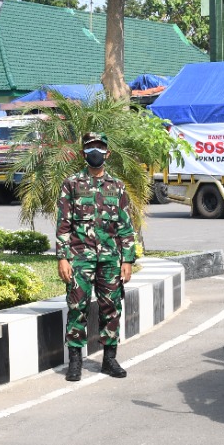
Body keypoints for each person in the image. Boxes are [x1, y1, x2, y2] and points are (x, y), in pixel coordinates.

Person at [54, 132, 137, 382]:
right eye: (91, 147)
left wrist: (128, 260)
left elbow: (125, 226)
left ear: (107, 153)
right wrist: (62, 258)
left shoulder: (117, 186)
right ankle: (76, 361)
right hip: (80, 257)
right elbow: (63, 225)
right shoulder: (71, 184)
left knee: (111, 307)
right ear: (83, 153)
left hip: (110, 259)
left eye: (100, 148)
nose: (96, 152)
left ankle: (109, 359)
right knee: (77, 306)